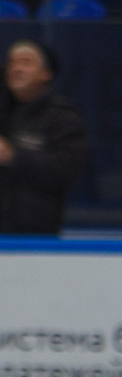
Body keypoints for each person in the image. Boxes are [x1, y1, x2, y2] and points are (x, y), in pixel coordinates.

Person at [0, 38, 88, 237]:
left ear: (46, 73)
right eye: (12, 62)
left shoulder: (61, 117)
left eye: (26, 62)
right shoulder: (4, 111)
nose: (16, 68)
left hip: (34, 239)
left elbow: (67, 171)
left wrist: (13, 157)